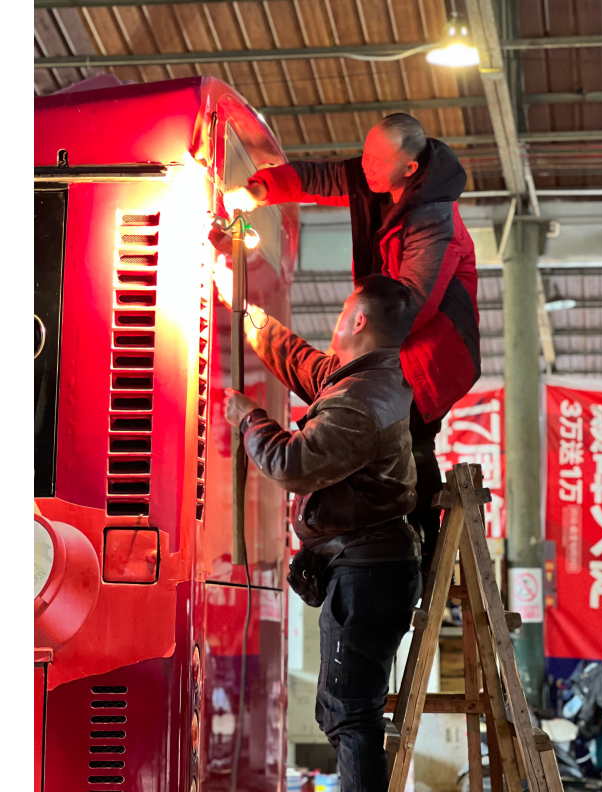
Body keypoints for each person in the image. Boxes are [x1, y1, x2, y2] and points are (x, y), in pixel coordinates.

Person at [223, 113, 480, 578]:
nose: (365, 166)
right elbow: (322, 177)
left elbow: (410, 306)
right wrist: (262, 188)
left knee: (414, 441)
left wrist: (355, 341)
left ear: (410, 168)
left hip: (431, 354)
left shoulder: (434, 220)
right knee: (361, 414)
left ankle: (422, 552)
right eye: (365, 154)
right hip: (387, 337)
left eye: (378, 161)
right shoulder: (376, 176)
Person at [218, 272, 423, 792]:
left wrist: (250, 420)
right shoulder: (362, 379)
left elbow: (293, 464)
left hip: (366, 576)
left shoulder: (360, 400)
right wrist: (252, 318)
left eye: (342, 311)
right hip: (367, 569)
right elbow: (301, 363)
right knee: (348, 712)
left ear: (359, 320)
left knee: (349, 715)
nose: (336, 319)